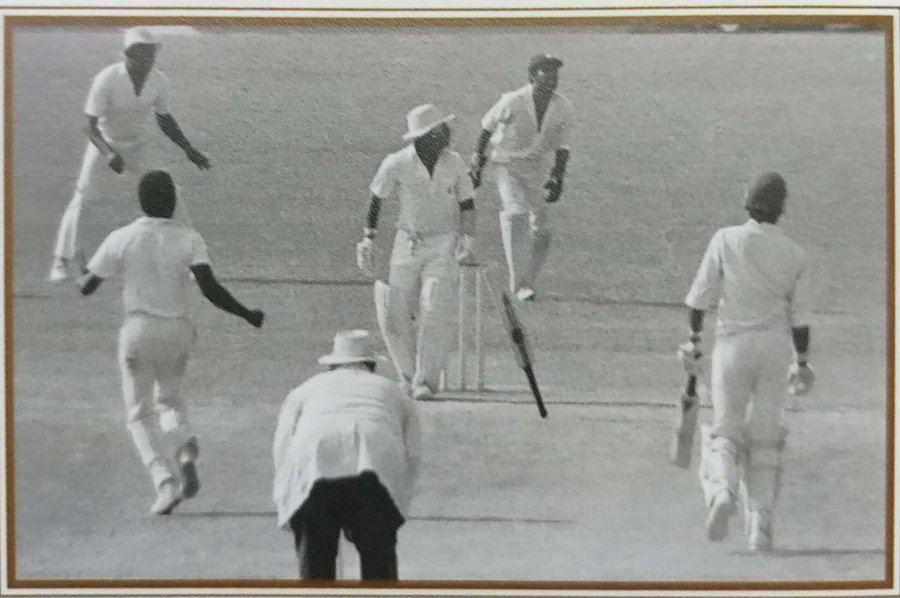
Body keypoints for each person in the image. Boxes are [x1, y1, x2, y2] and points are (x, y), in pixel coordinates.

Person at [78, 170, 264, 516]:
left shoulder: (123, 237)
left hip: (137, 331)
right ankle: (186, 452)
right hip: (177, 333)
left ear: (140, 201)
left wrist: (81, 269)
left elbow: (87, 286)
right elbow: (210, 289)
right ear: (174, 201)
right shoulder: (189, 237)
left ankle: (164, 481)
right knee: (171, 403)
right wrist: (246, 314)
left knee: (137, 415)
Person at [679, 172, 814, 551]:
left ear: (746, 202)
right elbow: (800, 320)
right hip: (775, 349)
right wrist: (802, 362)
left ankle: (722, 491)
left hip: (731, 347)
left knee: (725, 431)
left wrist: (693, 342)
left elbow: (697, 299)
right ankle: (761, 525)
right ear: (782, 208)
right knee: (767, 440)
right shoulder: (796, 254)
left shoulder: (725, 239)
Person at [50, 27, 211, 283]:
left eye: (151, 54)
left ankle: (193, 262)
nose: (148, 61)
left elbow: (165, 119)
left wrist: (188, 149)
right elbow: (90, 126)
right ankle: (61, 261)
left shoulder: (159, 81)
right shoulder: (107, 78)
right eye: (142, 55)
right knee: (82, 199)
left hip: (139, 146)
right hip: (104, 143)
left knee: (172, 195)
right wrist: (109, 154)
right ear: (128, 55)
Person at [272, 330, 420, 580]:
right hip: (375, 461)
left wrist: (289, 499)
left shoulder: (306, 389)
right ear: (371, 366)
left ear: (331, 367)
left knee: (316, 568)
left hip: (313, 462)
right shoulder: (393, 391)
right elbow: (413, 452)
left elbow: (283, 446)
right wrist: (396, 505)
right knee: (379, 567)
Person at [356, 103, 476, 400]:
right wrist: (368, 238)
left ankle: (426, 381)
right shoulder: (396, 162)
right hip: (407, 242)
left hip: (444, 242)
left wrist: (468, 236)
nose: (447, 134)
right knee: (393, 310)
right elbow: (376, 196)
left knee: (435, 308)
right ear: (423, 137)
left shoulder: (455, 162)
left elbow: (467, 202)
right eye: (440, 130)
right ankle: (407, 376)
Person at [469, 54, 573, 302]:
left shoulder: (563, 107)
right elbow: (487, 128)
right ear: (531, 77)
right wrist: (477, 162)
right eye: (545, 78)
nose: (550, 84)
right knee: (515, 212)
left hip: (536, 167)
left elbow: (563, 146)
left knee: (544, 229)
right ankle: (517, 285)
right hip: (507, 163)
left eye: (554, 79)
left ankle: (528, 281)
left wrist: (558, 176)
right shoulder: (512, 101)